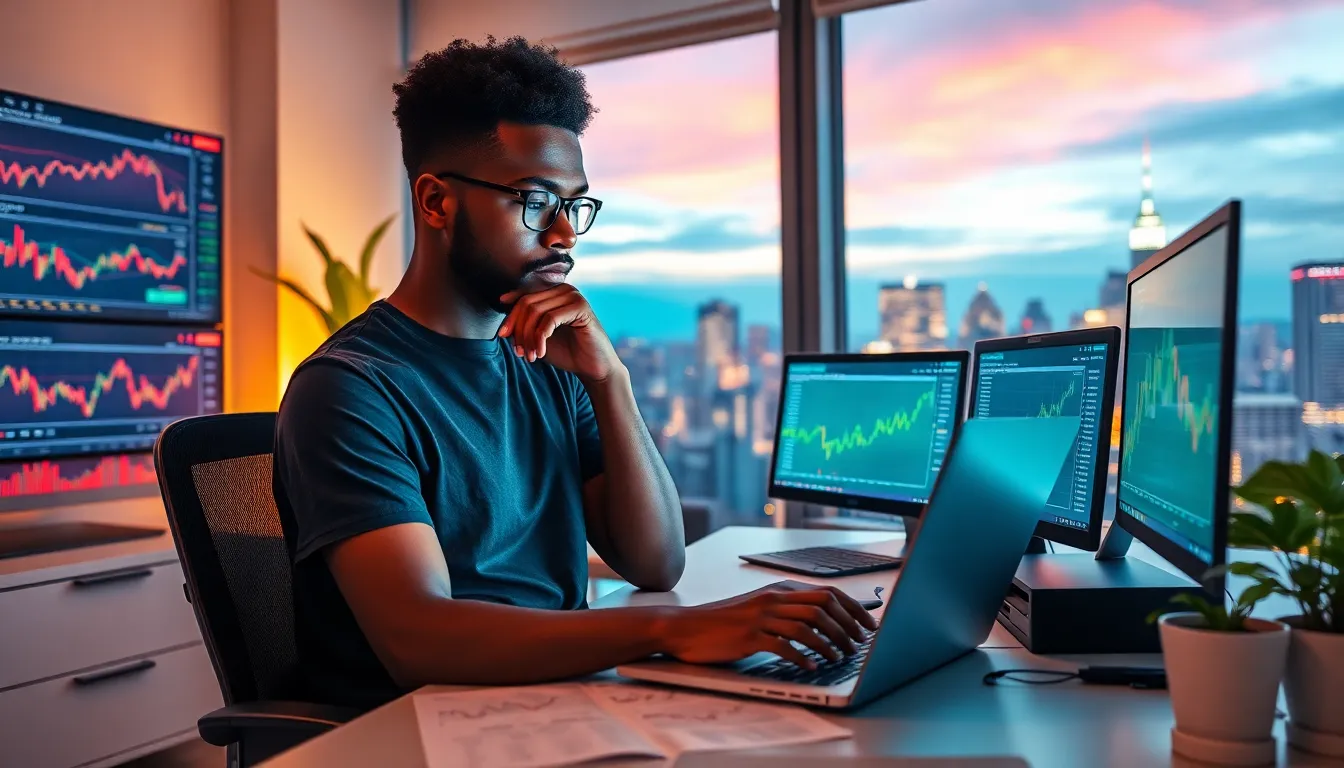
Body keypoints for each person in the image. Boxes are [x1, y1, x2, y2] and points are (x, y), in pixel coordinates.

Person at [272, 36, 876, 711]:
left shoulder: (548, 361)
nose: (565, 234)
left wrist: (609, 379)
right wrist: (672, 629)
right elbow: (420, 638)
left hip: (554, 695)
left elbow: (654, 562)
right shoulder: (352, 388)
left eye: (575, 205)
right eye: (534, 201)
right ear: (437, 202)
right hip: (422, 723)